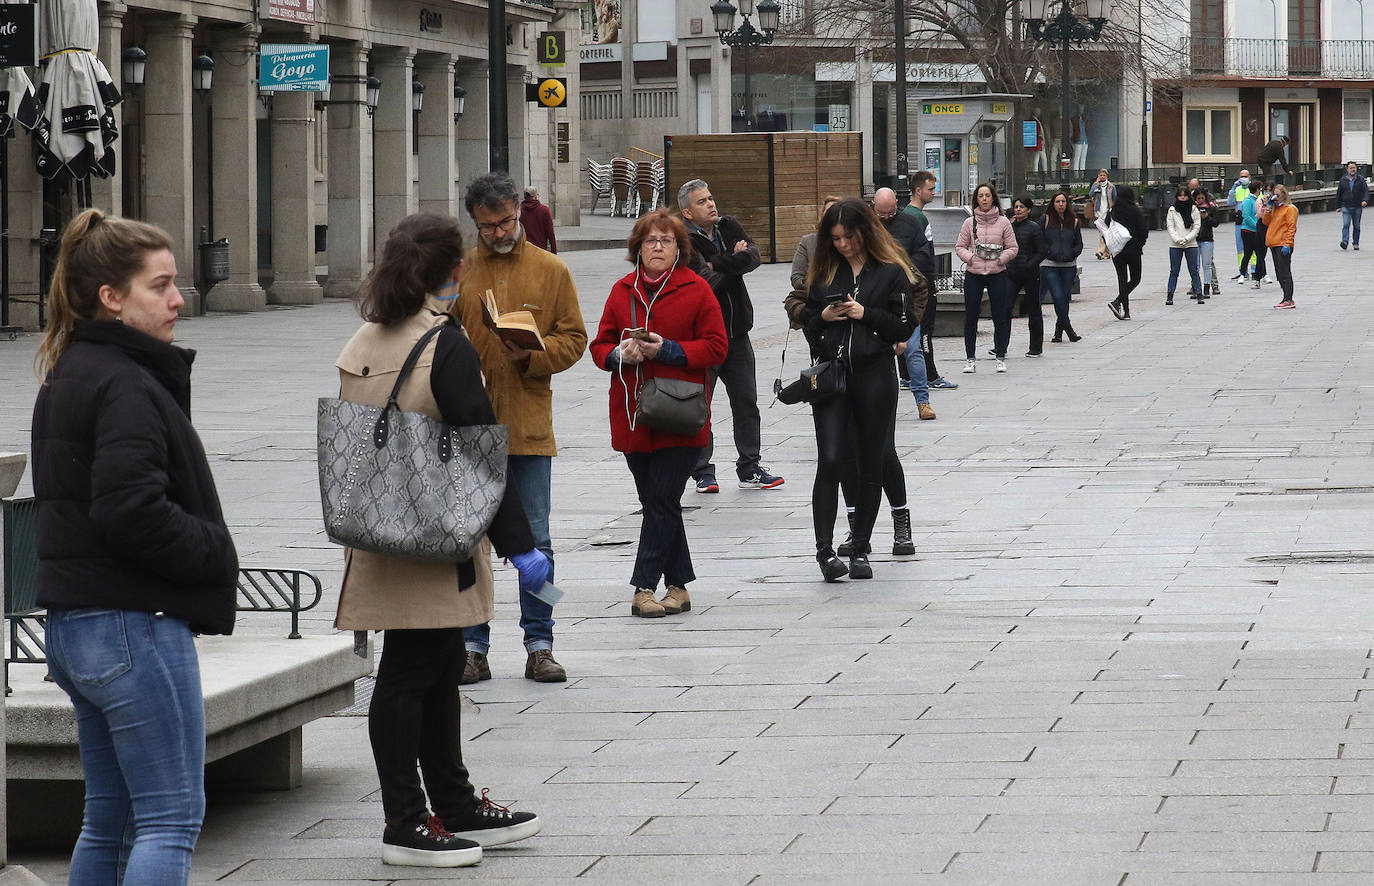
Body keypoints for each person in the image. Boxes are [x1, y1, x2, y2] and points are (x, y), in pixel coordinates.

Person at [31, 210, 238, 885]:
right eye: (161, 286)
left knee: (111, 817)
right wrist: (214, 550)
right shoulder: (124, 381)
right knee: (170, 817)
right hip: (132, 625)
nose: (179, 299)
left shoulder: (72, 368)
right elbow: (130, 509)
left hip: (78, 623)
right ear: (111, 298)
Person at [335, 213, 548, 867]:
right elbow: (483, 450)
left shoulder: (364, 338)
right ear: (453, 270)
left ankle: (451, 801)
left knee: (431, 668)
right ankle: (406, 819)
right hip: (437, 533)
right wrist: (522, 546)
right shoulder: (443, 343)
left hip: (379, 528)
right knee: (409, 673)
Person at [452, 172, 588, 685]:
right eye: (488, 226)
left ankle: (541, 641)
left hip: (529, 425)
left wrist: (533, 355)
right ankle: (472, 645)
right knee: (470, 542)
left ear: (520, 212)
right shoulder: (460, 272)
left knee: (540, 542)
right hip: (469, 430)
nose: (499, 232)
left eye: (507, 221)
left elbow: (575, 339)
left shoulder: (551, 270)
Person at [588, 209, 728, 617]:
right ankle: (680, 587)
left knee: (662, 498)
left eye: (667, 240)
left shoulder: (696, 289)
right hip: (635, 415)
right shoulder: (621, 291)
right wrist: (619, 354)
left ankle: (643, 587)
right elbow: (599, 348)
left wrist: (667, 349)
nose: (658, 247)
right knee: (657, 503)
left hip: (680, 414)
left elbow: (717, 346)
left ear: (679, 248)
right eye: (650, 240)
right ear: (638, 247)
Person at [800, 199, 916, 582]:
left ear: (864, 233)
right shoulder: (823, 272)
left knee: (871, 461)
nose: (842, 245)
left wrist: (865, 314)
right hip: (832, 377)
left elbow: (903, 327)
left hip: (874, 374)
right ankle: (824, 550)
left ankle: (862, 548)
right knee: (830, 459)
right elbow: (810, 326)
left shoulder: (889, 272)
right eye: (834, 239)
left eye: (848, 237)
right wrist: (823, 316)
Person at [679, 178, 785, 493]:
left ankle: (749, 466)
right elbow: (705, 281)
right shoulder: (683, 241)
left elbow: (753, 255)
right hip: (702, 338)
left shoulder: (728, 225)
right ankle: (702, 471)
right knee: (700, 406)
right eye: (702, 201)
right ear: (687, 212)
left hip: (737, 334)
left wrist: (723, 262)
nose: (711, 204)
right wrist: (731, 264)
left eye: (711, 197)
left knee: (746, 402)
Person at [873, 186, 935, 420]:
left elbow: (924, 253)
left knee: (913, 348)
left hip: (906, 295)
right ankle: (879, 404)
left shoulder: (910, 223)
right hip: (877, 297)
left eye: (890, 213)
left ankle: (923, 401)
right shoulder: (868, 225)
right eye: (882, 214)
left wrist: (904, 266)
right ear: (874, 207)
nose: (887, 218)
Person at [955, 182, 1017, 373]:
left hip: (997, 273)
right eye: (980, 196)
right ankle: (970, 359)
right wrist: (970, 258)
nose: (984, 199)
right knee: (971, 317)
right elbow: (959, 247)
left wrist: (1001, 260)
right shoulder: (969, 222)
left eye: (987, 196)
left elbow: (1013, 247)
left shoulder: (1003, 222)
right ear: (976, 199)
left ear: (993, 198)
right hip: (974, 274)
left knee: (999, 316)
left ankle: (1000, 356)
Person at [903, 171, 958, 390]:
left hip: (914, 282)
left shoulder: (909, 215)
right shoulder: (917, 217)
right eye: (931, 189)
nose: (934, 194)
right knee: (925, 329)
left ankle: (907, 375)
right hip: (922, 283)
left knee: (908, 328)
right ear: (918, 190)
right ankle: (930, 376)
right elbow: (923, 254)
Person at [1039, 191, 1083, 341]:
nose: (1060, 204)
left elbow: (1079, 243)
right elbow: (1040, 241)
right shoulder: (1045, 219)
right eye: (1057, 201)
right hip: (1049, 264)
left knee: (1064, 298)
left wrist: (1073, 254)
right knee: (1057, 296)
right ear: (1053, 203)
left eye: (1063, 201)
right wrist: (1049, 252)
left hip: (1069, 265)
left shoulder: (1074, 221)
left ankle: (1058, 331)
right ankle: (1069, 329)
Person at [1007, 196, 1047, 356]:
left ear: (1029, 210)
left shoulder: (1034, 228)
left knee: (1034, 309)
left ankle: (1036, 347)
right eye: (1016, 206)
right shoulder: (1009, 227)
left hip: (1030, 274)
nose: (1018, 209)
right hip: (1012, 273)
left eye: (1022, 207)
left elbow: (1042, 251)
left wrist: (1029, 264)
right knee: (1004, 309)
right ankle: (1000, 345)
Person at [1107, 186, 1148, 320]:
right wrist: (1139, 244)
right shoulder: (1135, 210)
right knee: (1136, 278)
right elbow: (1143, 230)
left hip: (1117, 250)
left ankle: (1126, 310)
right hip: (1133, 250)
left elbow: (1107, 229)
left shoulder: (1113, 211)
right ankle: (1118, 301)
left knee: (1122, 279)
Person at [1164, 185, 1204, 306]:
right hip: (1175, 244)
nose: (1182, 198)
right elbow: (1170, 226)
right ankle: (1170, 295)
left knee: (1194, 270)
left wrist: (1187, 238)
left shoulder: (1193, 209)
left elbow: (1197, 226)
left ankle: (1199, 293)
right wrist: (1177, 239)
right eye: (1180, 196)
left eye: (1185, 195)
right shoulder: (1172, 210)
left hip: (1191, 243)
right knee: (1174, 271)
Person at [1262, 184, 1298, 308]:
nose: (1276, 197)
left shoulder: (1290, 209)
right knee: (1279, 272)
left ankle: (1288, 298)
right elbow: (1266, 222)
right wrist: (1268, 208)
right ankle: (1285, 297)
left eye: (1278, 194)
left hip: (1282, 243)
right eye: (1274, 194)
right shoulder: (1275, 208)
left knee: (1284, 271)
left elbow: (1291, 227)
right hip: (1273, 242)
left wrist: (1288, 243)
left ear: (1284, 195)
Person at [1239, 177, 1268, 289]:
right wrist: (1256, 226)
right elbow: (1246, 216)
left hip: (1257, 231)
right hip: (1248, 231)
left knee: (1260, 254)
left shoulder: (1259, 200)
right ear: (1256, 189)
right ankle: (1242, 273)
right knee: (1248, 253)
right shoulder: (1247, 201)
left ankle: (1263, 274)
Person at [1225, 170, 1254, 278]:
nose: (1243, 178)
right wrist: (1232, 189)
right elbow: (1230, 202)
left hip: (1251, 221)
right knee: (1240, 247)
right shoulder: (1237, 189)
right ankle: (1243, 271)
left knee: (1253, 246)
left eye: (1245, 176)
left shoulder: (1254, 188)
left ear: (1249, 177)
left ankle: (1254, 270)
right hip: (1240, 221)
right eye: (1241, 176)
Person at [1193, 189, 1219, 298]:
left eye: (1202, 198)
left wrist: (1207, 217)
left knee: (1207, 264)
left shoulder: (1211, 208)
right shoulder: (1193, 208)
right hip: (1194, 238)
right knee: (1195, 265)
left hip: (1207, 239)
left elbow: (1216, 223)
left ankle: (1207, 288)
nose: (1200, 201)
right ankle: (1196, 288)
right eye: (1198, 198)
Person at [1337, 161, 1368, 250]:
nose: (1352, 170)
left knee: (1356, 225)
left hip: (1357, 206)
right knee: (1346, 224)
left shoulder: (1360, 179)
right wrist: (1338, 206)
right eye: (1351, 168)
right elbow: (1339, 193)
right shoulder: (1343, 180)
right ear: (1347, 169)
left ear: (1356, 168)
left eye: (1354, 168)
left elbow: (1365, 191)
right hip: (1346, 206)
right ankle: (1345, 242)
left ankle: (1355, 243)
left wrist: (1365, 200)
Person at [518, 187, 557, 253]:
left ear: (525, 197)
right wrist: (554, 252)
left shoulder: (519, 210)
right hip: (540, 251)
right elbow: (550, 233)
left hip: (524, 251)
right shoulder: (544, 210)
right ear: (535, 197)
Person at [1087, 170, 1116, 260]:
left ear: (1107, 176)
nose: (1102, 177)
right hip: (1099, 211)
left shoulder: (1111, 186)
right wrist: (1095, 185)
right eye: (1100, 175)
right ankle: (1107, 252)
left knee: (1104, 232)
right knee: (1103, 231)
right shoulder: (1096, 185)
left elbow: (1115, 198)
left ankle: (1100, 251)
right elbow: (1090, 194)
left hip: (1108, 211)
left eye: (1104, 175)